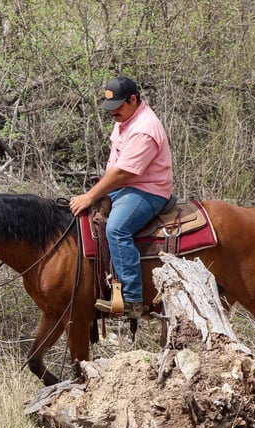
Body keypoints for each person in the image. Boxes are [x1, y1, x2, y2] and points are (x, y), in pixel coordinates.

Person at [69, 76, 173, 319]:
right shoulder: (125, 119)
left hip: (147, 190)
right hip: (125, 187)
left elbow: (123, 172)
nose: (112, 111)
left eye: (117, 106)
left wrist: (90, 195)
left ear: (133, 99)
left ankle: (132, 299)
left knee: (116, 229)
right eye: (110, 106)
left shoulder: (145, 129)